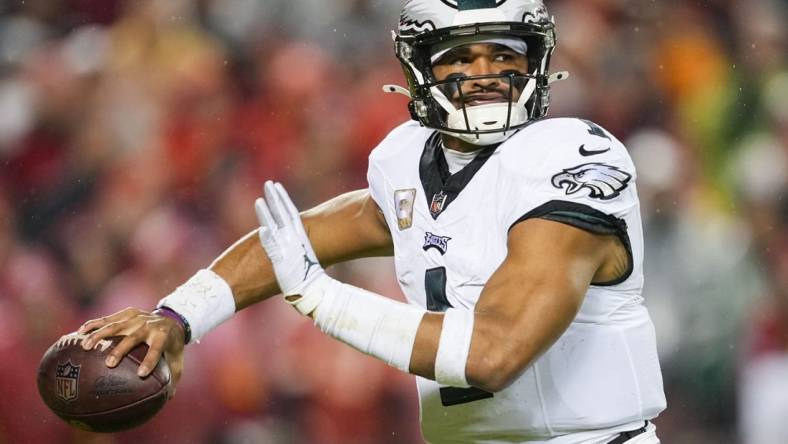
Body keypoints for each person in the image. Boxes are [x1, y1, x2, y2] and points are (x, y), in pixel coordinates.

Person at [78, 1, 666, 442]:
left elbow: (494, 355)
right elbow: (291, 238)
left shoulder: (569, 157)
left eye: (504, 54)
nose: (485, 72)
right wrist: (178, 315)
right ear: (419, 73)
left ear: (536, 63)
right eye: (460, 57)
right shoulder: (408, 162)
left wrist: (320, 299)